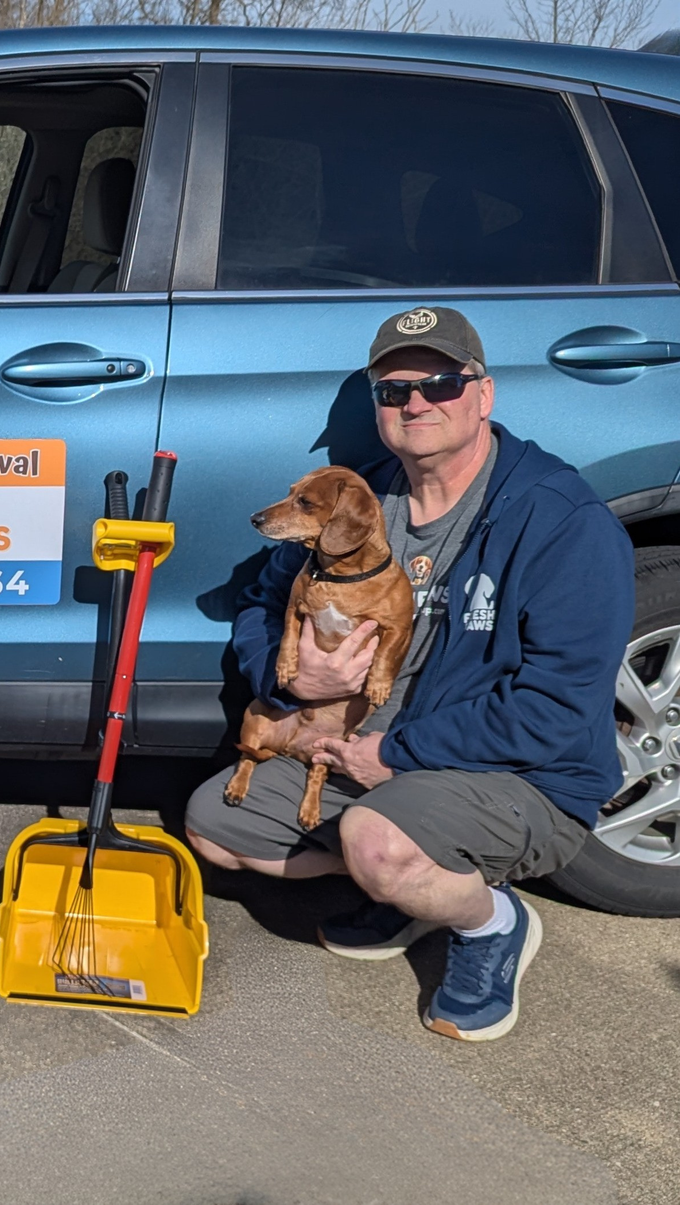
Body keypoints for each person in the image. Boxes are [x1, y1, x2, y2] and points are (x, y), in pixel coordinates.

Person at [184, 306, 631, 1042]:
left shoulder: (559, 521)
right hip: (363, 752)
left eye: (440, 383)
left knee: (377, 842)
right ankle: (405, 884)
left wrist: (394, 753)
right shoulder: (359, 499)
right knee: (215, 823)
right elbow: (261, 605)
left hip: (516, 775)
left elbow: (555, 709)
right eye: (394, 391)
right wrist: (296, 682)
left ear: (482, 393)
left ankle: (489, 921)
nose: (416, 402)